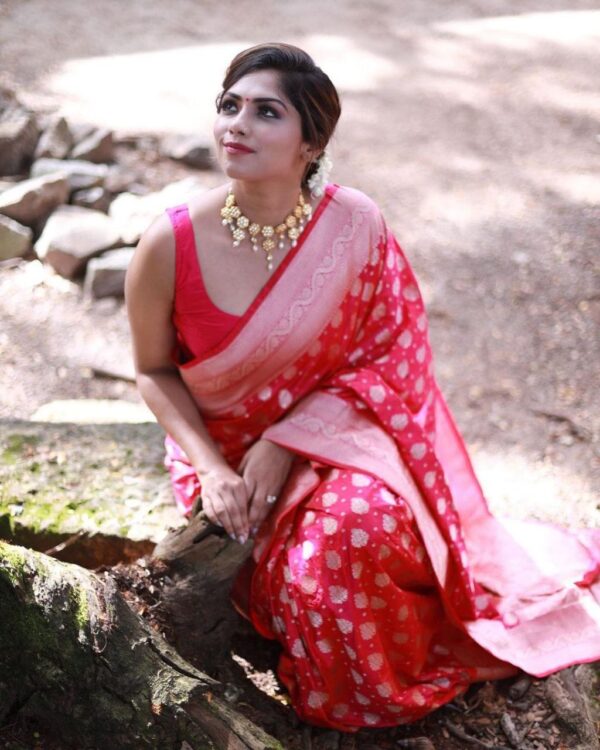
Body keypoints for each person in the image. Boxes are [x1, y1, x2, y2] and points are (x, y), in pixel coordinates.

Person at [125, 42, 600, 732]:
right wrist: (212, 467)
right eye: (229, 106)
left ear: (311, 144)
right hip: (225, 456)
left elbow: (391, 359)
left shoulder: (354, 228)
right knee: (310, 577)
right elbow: (152, 370)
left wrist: (289, 440)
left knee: (363, 532)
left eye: (266, 112)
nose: (237, 125)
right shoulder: (168, 243)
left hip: (340, 440)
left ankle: (393, 687)